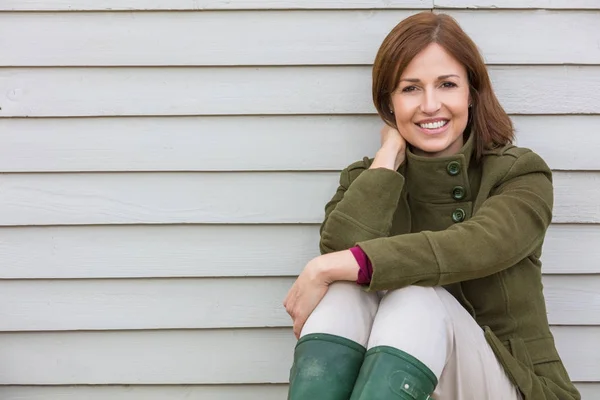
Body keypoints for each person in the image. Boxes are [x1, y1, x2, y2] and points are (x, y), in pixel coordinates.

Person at [283, 11, 581, 400]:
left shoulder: (519, 173)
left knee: (414, 296)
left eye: (446, 84)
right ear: (389, 103)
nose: (430, 104)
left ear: (471, 93)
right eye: (410, 89)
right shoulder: (367, 178)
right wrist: (389, 156)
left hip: (512, 386)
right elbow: (341, 251)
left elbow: (477, 245)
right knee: (342, 292)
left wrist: (328, 267)